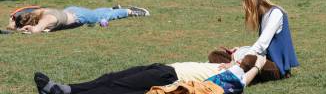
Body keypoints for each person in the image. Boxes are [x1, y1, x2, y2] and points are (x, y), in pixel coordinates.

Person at [33, 56, 266, 94]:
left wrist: (256, 65)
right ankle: (67, 89)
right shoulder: (224, 65)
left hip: (169, 79)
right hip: (164, 68)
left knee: (118, 87)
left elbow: (254, 64)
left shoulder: (234, 75)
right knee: (110, 77)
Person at [229, 0, 298, 81]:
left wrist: (238, 60)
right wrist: (241, 50)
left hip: (276, 67)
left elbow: (262, 44)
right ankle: (230, 68)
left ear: (251, 1)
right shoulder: (263, 16)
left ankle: (230, 73)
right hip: (263, 59)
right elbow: (263, 47)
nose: (245, 9)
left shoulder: (276, 13)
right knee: (217, 54)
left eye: (246, 4)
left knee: (249, 59)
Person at [8, 5, 149, 33]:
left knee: (103, 17)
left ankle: (130, 11)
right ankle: (113, 7)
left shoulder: (47, 20)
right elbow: (23, 18)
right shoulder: (40, 12)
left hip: (79, 16)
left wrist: (28, 29)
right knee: (95, 13)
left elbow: (36, 30)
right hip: (71, 10)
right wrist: (13, 23)